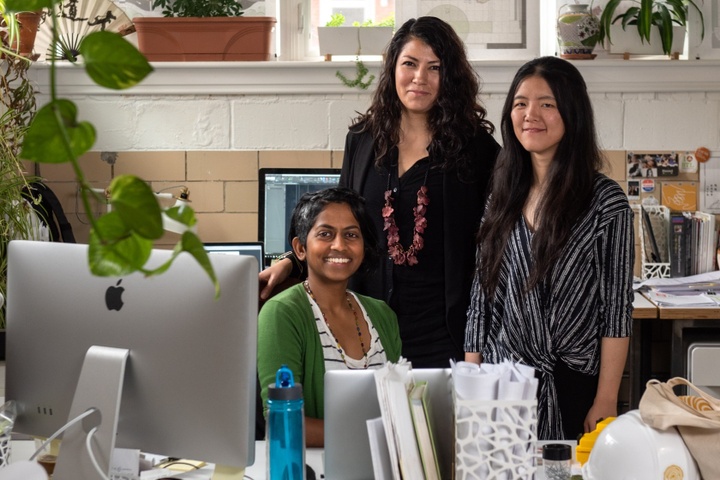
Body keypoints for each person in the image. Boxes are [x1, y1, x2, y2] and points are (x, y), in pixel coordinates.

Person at [259, 16, 500, 368]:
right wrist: (290, 263)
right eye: (410, 64)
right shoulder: (362, 141)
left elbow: (493, 250)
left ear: (450, 77)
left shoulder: (478, 151)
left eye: (435, 67)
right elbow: (339, 223)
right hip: (364, 334)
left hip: (445, 337)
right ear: (393, 68)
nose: (420, 78)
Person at [464, 56, 634, 441]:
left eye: (547, 103)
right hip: (501, 382)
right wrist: (471, 381)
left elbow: (617, 310)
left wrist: (607, 398)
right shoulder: (501, 195)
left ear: (572, 113)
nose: (530, 114)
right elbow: (481, 297)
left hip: (573, 384)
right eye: (520, 103)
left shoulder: (606, 202)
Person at [257, 187, 401, 447]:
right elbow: (283, 423)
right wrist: (372, 437)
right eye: (325, 234)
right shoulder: (282, 313)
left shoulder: (382, 314)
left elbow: (398, 407)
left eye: (351, 235)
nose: (339, 245)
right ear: (300, 248)